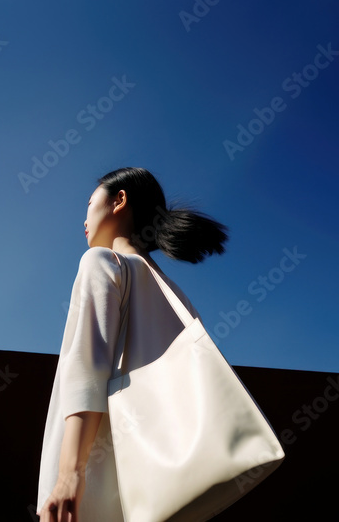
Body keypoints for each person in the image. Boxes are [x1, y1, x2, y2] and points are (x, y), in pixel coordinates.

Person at [36, 167, 229, 522]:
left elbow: (86, 371)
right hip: (160, 490)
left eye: (90, 202)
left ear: (118, 200)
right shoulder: (177, 298)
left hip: (93, 489)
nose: (84, 218)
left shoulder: (100, 261)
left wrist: (68, 476)